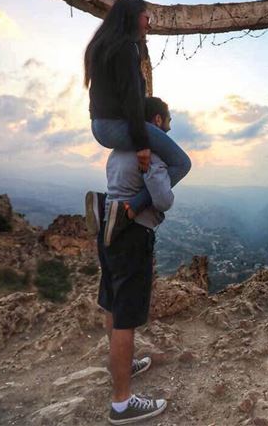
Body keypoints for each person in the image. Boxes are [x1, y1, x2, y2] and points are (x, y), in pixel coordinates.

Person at [95, 96, 178, 424]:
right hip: (132, 237)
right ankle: (122, 403)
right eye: (168, 120)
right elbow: (164, 199)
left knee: (112, 303)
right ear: (156, 121)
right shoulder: (151, 154)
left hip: (109, 229)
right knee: (126, 316)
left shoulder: (117, 152)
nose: (170, 126)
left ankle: (122, 366)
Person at [84, 0, 190, 242]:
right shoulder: (125, 47)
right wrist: (142, 143)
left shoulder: (103, 46)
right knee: (182, 163)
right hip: (115, 126)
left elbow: (99, 95)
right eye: (147, 18)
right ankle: (127, 209)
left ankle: (104, 205)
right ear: (133, 17)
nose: (149, 25)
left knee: (133, 159)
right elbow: (132, 97)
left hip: (99, 126)